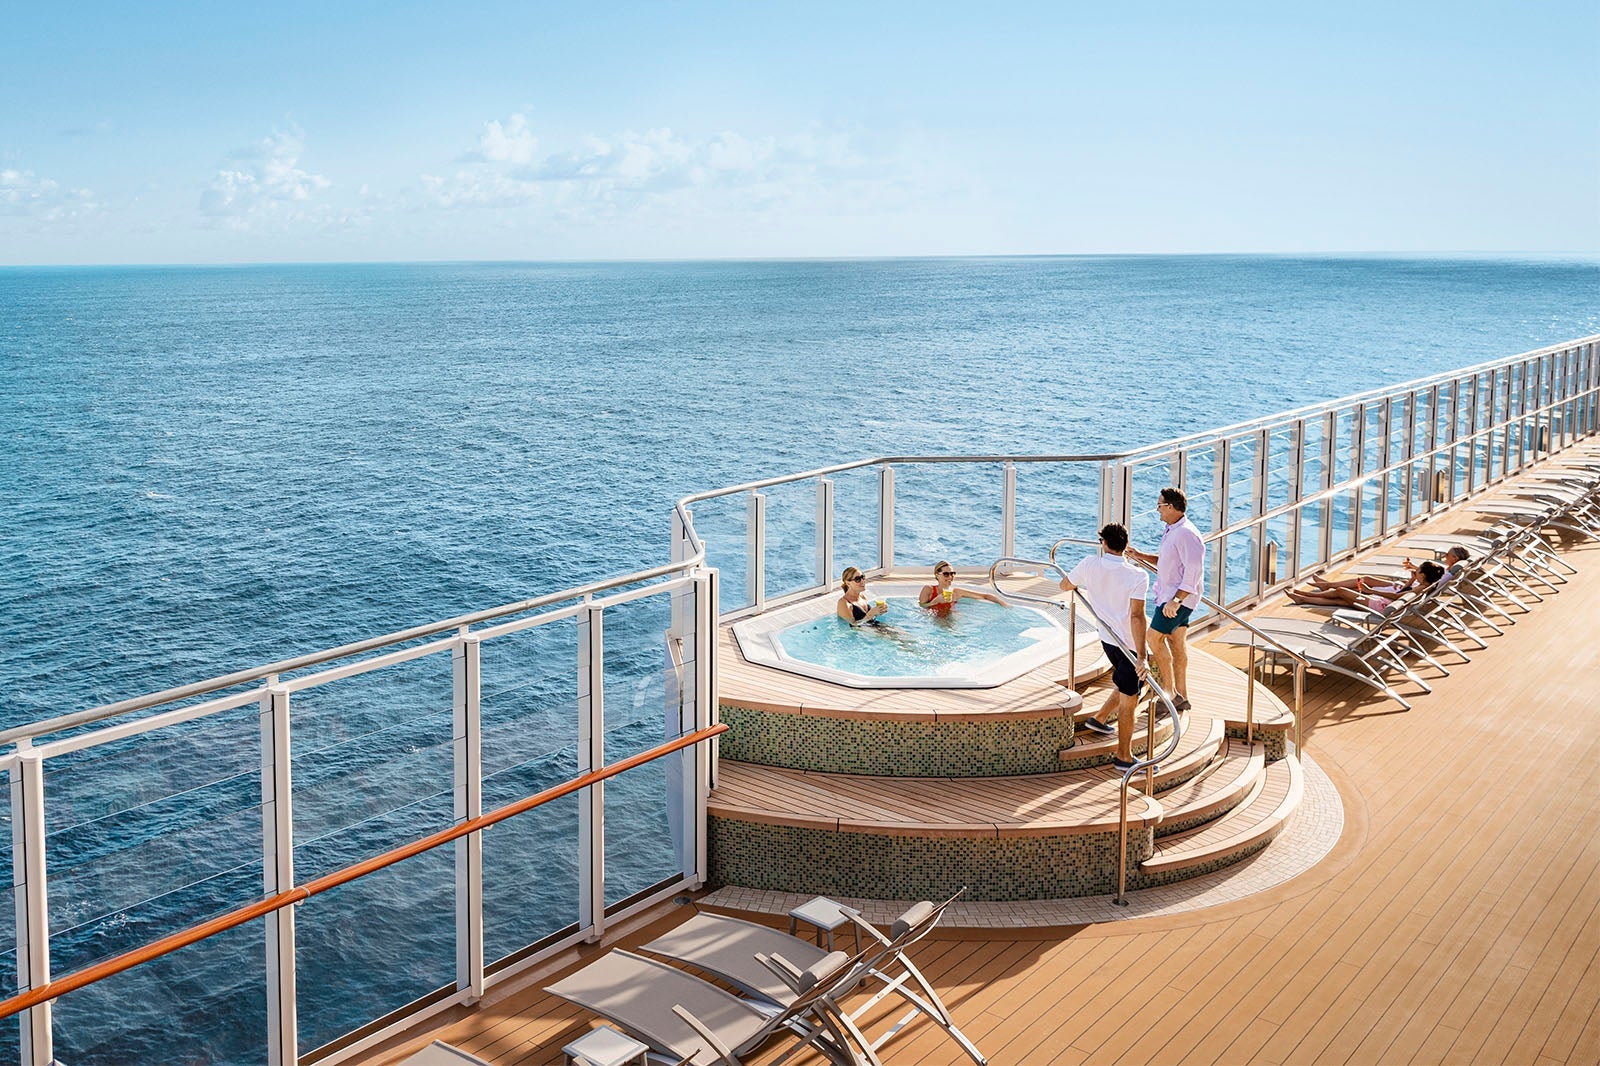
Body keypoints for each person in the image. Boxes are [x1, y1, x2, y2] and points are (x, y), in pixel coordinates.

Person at [1058, 523, 1149, 771]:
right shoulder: (1138, 576)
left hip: (1109, 641)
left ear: (1104, 543)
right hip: (1129, 645)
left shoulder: (1089, 564)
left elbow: (1064, 585)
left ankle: (1099, 719)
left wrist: (1083, 584)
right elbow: (1137, 617)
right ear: (1125, 545)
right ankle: (1124, 757)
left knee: (1126, 683)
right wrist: (1142, 656)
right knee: (1130, 700)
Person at [1127, 487, 1205, 713]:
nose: (1157, 509)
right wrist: (1140, 556)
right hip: (1171, 595)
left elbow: (1194, 571)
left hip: (1177, 599)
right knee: (1177, 643)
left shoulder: (1187, 534)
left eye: (1160, 505)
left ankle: (1168, 692)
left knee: (1153, 637)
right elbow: (1169, 561)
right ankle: (1182, 695)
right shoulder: (1174, 530)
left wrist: (1176, 601)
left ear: (1170, 507)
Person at [1288, 559, 1444, 611]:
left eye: (1418, 571)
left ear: (1422, 575)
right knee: (1339, 600)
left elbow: (1396, 596)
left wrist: (1369, 591)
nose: (1416, 571)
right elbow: (1404, 593)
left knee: (1341, 592)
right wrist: (1411, 580)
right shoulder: (1428, 584)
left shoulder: (1421, 588)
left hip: (1381, 606)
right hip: (1388, 604)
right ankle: (1303, 599)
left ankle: (1308, 595)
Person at [918, 560, 1010, 612]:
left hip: (950, 619)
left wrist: (1002, 603)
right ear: (937, 575)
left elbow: (984, 596)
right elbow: (921, 606)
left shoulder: (956, 592)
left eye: (952, 574)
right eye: (946, 574)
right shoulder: (928, 589)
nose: (950, 577)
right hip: (932, 619)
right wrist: (935, 601)